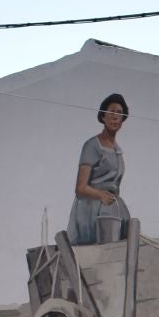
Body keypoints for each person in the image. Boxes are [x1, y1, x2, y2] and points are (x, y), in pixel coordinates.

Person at [66, 93, 130, 247]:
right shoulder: (92, 146)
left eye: (119, 113)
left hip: (113, 211)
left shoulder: (118, 151)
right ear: (103, 116)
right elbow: (80, 188)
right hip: (91, 210)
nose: (115, 117)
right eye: (112, 112)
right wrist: (100, 194)